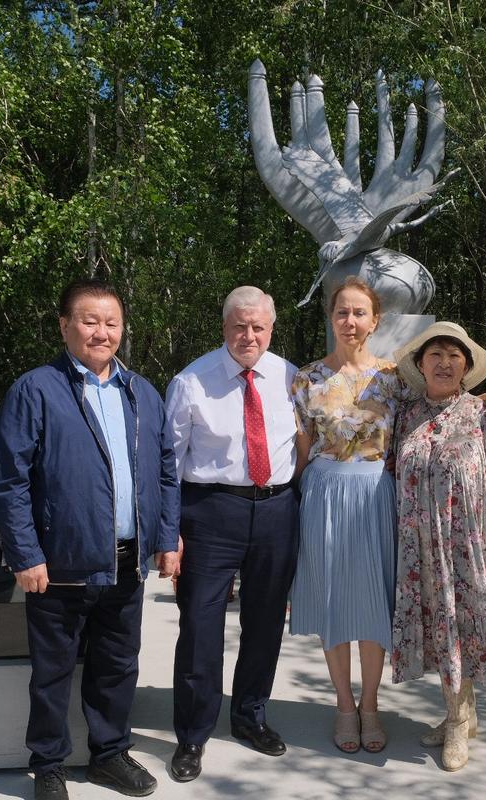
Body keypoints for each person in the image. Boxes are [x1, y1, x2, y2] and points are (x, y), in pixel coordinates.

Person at [0, 279, 180, 800]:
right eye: (89, 320)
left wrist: (166, 537)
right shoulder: (36, 389)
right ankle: (48, 766)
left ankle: (109, 753)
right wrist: (25, 553)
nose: (102, 332)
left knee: (117, 665)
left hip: (126, 561)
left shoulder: (142, 392)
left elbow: (166, 471)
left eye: (111, 322)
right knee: (52, 672)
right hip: (60, 564)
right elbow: (10, 480)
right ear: (64, 325)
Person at [164, 286, 300, 783]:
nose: (249, 336)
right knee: (201, 628)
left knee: (265, 624)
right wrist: (169, 531)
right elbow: (168, 464)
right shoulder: (190, 382)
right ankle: (193, 734)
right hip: (210, 512)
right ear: (224, 327)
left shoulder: (291, 377)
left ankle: (249, 716)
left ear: (271, 329)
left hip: (277, 510)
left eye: (258, 327)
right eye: (239, 326)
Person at [390, 321, 486, 772]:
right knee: (439, 631)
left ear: (466, 366)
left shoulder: (485, 416)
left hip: (469, 550)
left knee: (461, 629)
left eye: (454, 355)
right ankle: (464, 714)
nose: (444, 363)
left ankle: (456, 722)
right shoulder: (406, 415)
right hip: (419, 552)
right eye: (435, 355)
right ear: (420, 364)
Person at [289, 276, 404, 755]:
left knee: (373, 602)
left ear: (375, 321)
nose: (350, 321)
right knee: (333, 602)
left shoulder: (397, 378)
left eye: (360, 313)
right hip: (324, 495)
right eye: (342, 312)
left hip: (376, 494)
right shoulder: (307, 378)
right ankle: (343, 704)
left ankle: (370, 704)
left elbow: (440, 405)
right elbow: (300, 451)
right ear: (331, 318)